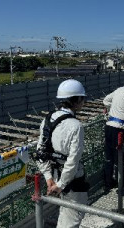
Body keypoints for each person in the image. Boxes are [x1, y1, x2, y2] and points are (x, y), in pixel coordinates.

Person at [36, 79, 88, 228]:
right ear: (77, 100)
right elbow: (73, 160)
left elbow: (40, 152)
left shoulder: (47, 119)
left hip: (55, 174)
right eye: (82, 98)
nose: (83, 102)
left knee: (65, 212)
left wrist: (49, 178)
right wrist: (61, 185)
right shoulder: (76, 126)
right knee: (74, 215)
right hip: (71, 178)